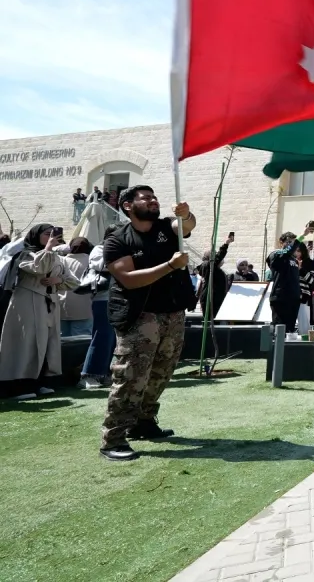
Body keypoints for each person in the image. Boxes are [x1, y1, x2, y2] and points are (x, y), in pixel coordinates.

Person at [98, 186, 196, 462]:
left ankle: (143, 422)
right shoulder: (118, 238)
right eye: (146, 198)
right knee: (131, 377)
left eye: (155, 196)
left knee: (161, 373)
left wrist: (186, 214)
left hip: (172, 313)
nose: (153, 200)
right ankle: (113, 438)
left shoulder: (167, 227)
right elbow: (128, 278)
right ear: (128, 205)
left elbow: (186, 225)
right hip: (140, 315)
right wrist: (169, 266)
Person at [1, 224, 78, 399]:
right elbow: (40, 268)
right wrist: (49, 248)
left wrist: (57, 280)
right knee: (26, 343)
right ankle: (18, 385)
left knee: (47, 344)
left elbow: (73, 281)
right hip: (27, 302)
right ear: (36, 235)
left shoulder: (58, 258)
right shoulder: (25, 254)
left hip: (49, 304)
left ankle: (41, 381)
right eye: (46, 234)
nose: (51, 237)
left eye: (53, 234)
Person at [77, 232, 117, 389]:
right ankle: (88, 374)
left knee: (111, 338)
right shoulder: (99, 249)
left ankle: (103, 373)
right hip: (103, 298)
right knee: (102, 335)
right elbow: (100, 265)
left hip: (117, 298)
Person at [267, 224, 311, 333]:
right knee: (280, 329)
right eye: (288, 242)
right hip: (281, 298)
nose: (290, 244)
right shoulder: (276, 254)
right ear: (281, 243)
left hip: (293, 298)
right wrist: (302, 236)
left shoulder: (294, 260)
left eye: (292, 242)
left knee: (290, 330)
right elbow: (286, 253)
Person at [59, 237, 94, 338]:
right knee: (81, 340)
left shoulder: (61, 261)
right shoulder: (90, 262)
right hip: (84, 308)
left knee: (62, 340)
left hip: (62, 306)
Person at [194, 233, 233, 320]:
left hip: (215, 299)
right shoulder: (208, 265)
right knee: (210, 321)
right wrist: (226, 244)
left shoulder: (214, 269)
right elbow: (219, 257)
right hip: (211, 300)